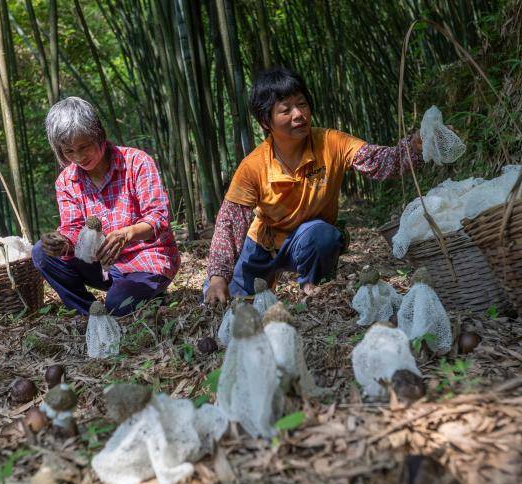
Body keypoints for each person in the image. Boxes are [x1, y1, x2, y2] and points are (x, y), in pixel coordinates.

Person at [204, 67, 424, 306]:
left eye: (302, 104)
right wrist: (217, 276)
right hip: (262, 244)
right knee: (229, 301)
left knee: (323, 235)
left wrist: (413, 147)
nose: (299, 114)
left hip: (310, 239)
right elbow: (229, 223)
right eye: (286, 110)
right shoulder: (253, 166)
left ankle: (314, 290)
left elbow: (378, 160)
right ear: (266, 121)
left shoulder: (331, 143)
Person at [33, 96, 180, 316]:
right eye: (69, 151)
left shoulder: (136, 162)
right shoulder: (66, 181)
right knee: (41, 253)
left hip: (145, 260)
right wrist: (62, 242)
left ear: (98, 135)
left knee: (119, 303)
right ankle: (90, 312)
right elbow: (72, 229)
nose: (79, 157)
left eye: (84, 146)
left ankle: (136, 297)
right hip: (100, 263)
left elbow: (158, 217)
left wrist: (127, 234)